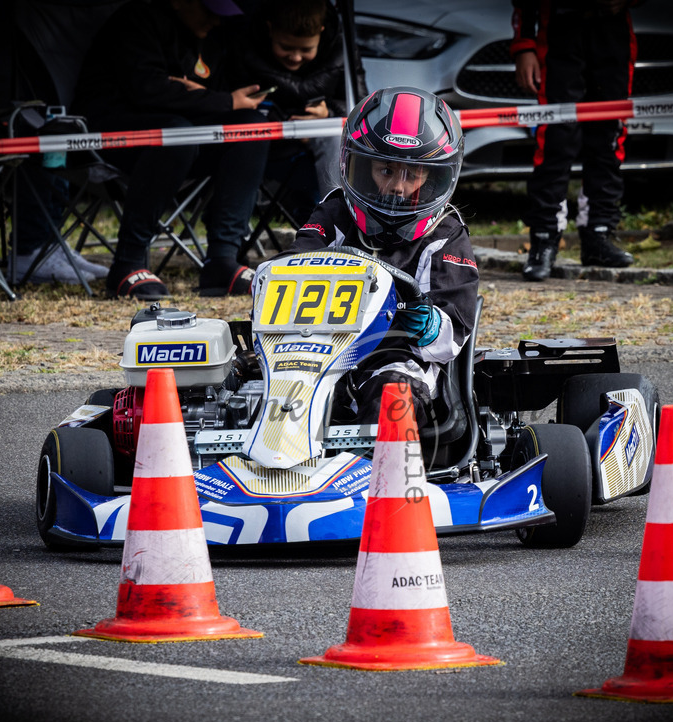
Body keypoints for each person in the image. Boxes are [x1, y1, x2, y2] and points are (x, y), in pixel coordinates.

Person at [276, 86, 479, 430]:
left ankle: (376, 477)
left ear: (434, 178)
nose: (398, 187)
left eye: (412, 175)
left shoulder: (446, 235)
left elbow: (453, 336)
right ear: (356, 165)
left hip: (397, 360)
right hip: (320, 353)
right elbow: (294, 262)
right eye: (385, 170)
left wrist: (428, 323)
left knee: (392, 395)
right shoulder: (336, 211)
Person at [73, 0, 271, 298]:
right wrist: (216, 100)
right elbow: (146, 91)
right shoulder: (135, 22)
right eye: (209, 12)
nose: (216, 21)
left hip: (185, 134)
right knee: (176, 134)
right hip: (112, 135)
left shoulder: (214, 35)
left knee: (249, 127)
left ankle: (223, 260)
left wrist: (203, 97)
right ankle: (127, 263)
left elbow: (212, 91)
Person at [511, 0, 637, 281]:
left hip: (612, 29)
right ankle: (543, 241)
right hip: (558, 28)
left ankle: (599, 236)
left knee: (609, 138)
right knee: (555, 140)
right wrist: (524, 45)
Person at [229, 0, 347, 204]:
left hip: (312, 151)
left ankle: (337, 220)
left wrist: (328, 113)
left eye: (306, 49)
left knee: (334, 135)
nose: (295, 57)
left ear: (321, 31)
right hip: (258, 143)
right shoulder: (244, 43)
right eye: (286, 47)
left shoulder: (342, 48)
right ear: (270, 29)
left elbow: (359, 105)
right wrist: (292, 126)